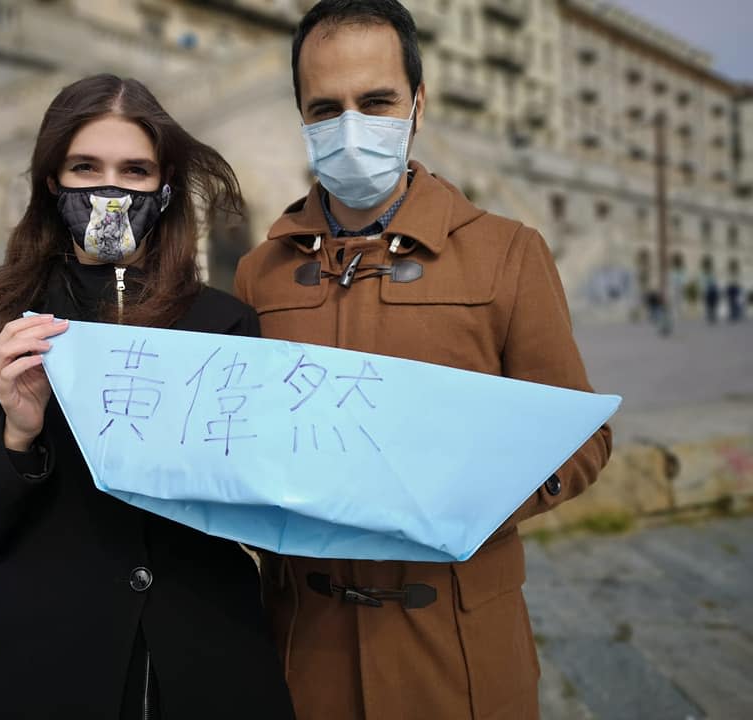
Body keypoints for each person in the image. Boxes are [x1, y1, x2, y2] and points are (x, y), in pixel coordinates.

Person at [233, 2, 613, 718]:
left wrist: (464, 499)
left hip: (459, 658)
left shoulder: (508, 253)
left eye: (375, 101)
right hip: (303, 655)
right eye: (326, 108)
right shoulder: (260, 272)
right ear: (302, 119)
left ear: (418, 103)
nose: (351, 127)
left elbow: (584, 438)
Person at [0, 74, 295, 720]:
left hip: (208, 669)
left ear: (164, 188)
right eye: (85, 166)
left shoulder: (224, 325)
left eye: (134, 170)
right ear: (52, 183)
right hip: (44, 673)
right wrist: (14, 438)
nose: (108, 189)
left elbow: (269, 511)